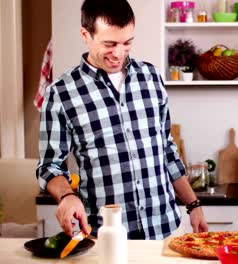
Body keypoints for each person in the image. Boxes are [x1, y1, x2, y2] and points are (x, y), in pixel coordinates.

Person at [36, 0, 208, 240]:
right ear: (85, 34)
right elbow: (49, 166)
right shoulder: (62, 93)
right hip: (106, 235)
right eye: (109, 43)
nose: (118, 53)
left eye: (127, 43)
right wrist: (67, 196)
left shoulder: (150, 77)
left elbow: (166, 149)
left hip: (166, 228)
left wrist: (193, 204)